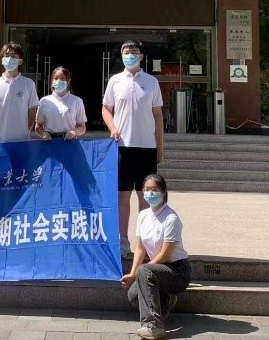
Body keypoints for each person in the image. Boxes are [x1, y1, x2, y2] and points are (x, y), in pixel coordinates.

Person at [102, 41, 164, 258]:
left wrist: (160, 147)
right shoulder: (115, 81)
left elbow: (158, 115)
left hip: (146, 147)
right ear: (121, 56)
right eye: (126, 53)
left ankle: (145, 241)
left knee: (146, 197)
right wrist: (112, 127)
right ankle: (123, 240)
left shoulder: (151, 82)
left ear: (141, 56)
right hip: (122, 147)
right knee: (122, 197)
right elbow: (106, 109)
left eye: (134, 52)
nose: (130, 56)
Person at [121, 174, 190, 340]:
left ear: (163, 192)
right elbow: (140, 248)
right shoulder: (143, 215)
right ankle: (165, 299)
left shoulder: (171, 218)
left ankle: (153, 326)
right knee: (133, 294)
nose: (150, 193)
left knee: (145, 272)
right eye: (146, 189)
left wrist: (143, 271)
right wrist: (133, 273)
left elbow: (165, 255)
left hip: (177, 270)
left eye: (154, 189)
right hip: (157, 269)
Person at [0, 42, 40, 143]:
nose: (9, 59)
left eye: (13, 56)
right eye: (6, 55)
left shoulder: (29, 84)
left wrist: (26, 132)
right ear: (2, 60)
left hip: (21, 140)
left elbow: (32, 112)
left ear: (20, 61)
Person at [35, 66, 87, 140]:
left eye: (63, 78)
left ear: (68, 80)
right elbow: (38, 126)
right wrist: (43, 134)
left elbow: (82, 127)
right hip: (50, 142)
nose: (59, 81)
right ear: (52, 81)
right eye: (56, 78)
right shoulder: (44, 101)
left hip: (69, 142)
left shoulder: (77, 101)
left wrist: (74, 132)